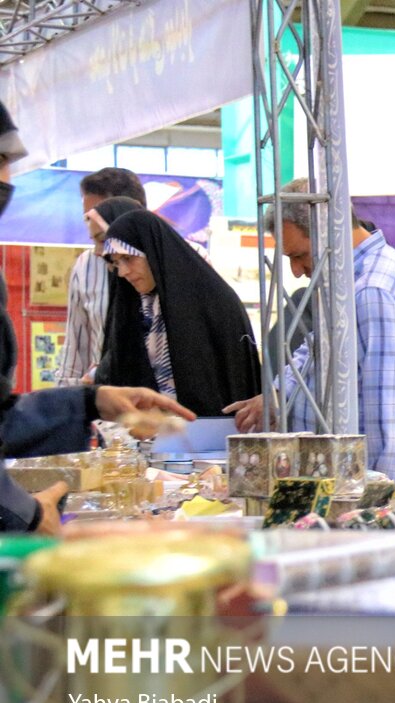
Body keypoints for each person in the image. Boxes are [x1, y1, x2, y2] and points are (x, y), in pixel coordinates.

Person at [0, 104, 196, 534]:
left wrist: (94, 400)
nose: (112, 263)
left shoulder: (184, 289)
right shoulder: (89, 270)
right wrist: (25, 512)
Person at [225, 178, 395, 485]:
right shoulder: (350, 281)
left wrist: (374, 511)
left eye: (299, 255)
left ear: (330, 231)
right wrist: (279, 393)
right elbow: (315, 349)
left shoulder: (372, 292)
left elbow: (388, 424)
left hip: (366, 498)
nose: (297, 271)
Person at [97, 209, 262, 417]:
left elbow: (228, 380)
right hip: (147, 436)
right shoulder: (134, 305)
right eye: (116, 263)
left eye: (129, 258)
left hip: (209, 434)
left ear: (152, 251)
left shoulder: (210, 300)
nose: (122, 272)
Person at [56, 168, 148, 386]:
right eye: (87, 217)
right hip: (109, 407)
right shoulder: (86, 265)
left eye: (100, 216)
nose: (100, 252)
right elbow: (75, 351)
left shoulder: (186, 260)